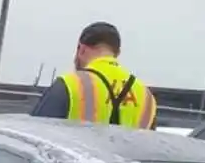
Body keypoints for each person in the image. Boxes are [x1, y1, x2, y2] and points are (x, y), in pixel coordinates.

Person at [30, 22, 158, 128]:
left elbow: (35, 136)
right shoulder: (146, 96)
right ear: (117, 52)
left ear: (82, 49)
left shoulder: (70, 84)